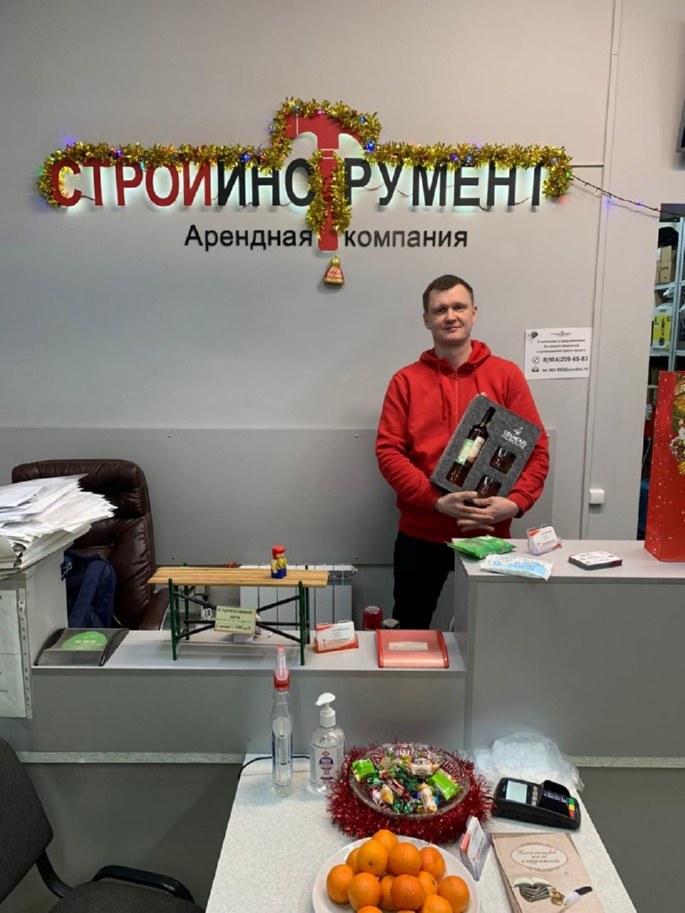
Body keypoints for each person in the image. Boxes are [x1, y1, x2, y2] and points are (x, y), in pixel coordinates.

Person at [376, 274, 549, 629]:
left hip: (489, 535)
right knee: (410, 629)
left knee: (492, 632)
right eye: (440, 310)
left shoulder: (507, 376)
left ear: (474, 313)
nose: (450, 316)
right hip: (421, 535)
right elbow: (389, 453)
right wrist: (435, 501)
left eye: (458, 307)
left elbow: (536, 450)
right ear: (426, 320)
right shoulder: (405, 381)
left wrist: (515, 503)